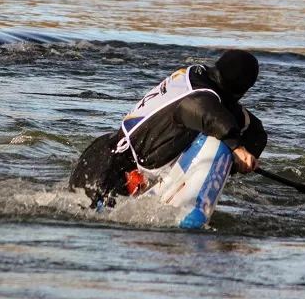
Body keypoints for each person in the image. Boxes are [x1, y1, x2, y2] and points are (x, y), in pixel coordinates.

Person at [70, 49, 267, 208]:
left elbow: (254, 129)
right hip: (109, 168)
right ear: (242, 91)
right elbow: (200, 109)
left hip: (105, 150)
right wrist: (236, 147)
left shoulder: (199, 75)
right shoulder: (200, 97)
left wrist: (238, 160)